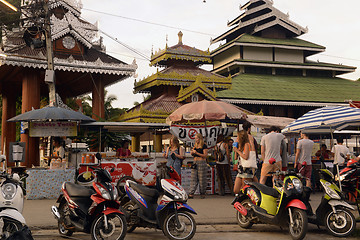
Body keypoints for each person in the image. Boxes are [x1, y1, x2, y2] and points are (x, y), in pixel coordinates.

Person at [233, 130, 257, 194]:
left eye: (238, 137)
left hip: (246, 169)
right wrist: (236, 149)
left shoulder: (246, 145)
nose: (236, 138)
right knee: (236, 189)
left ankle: (246, 201)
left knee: (245, 188)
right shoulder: (240, 146)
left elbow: (246, 157)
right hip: (240, 169)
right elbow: (235, 158)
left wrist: (238, 151)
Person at [189, 133, 208, 199]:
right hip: (195, 162)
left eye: (197, 138)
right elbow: (193, 154)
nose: (196, 140)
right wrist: (192, 153)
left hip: (201, 162)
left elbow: (205, 155)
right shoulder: (195, 145)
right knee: (193, 178)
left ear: (200, 139)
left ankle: (202, 192)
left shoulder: (204, 146)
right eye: (195, 138)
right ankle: (191, 193)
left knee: (201, 178)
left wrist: (197, 153)